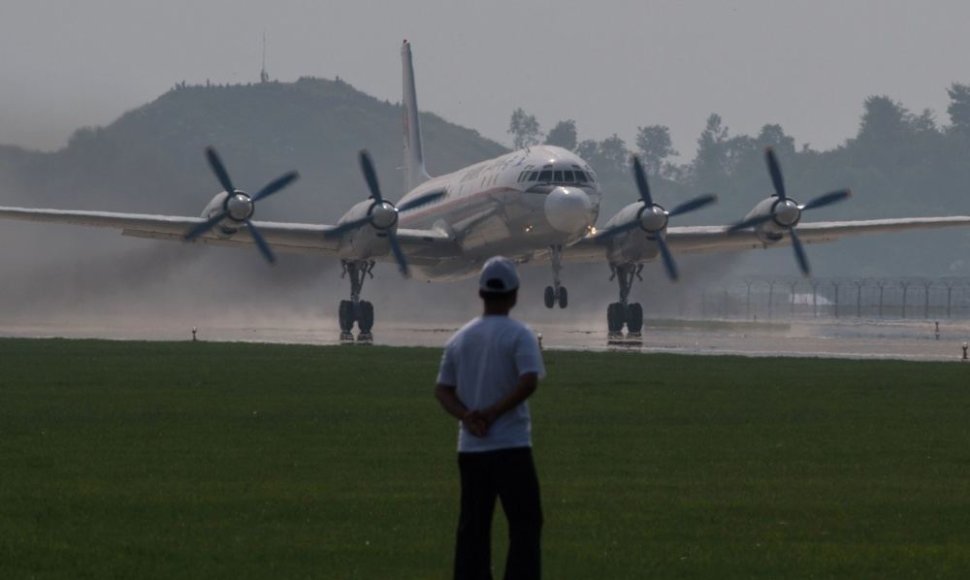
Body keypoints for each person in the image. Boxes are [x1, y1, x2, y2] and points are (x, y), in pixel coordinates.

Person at [435, 256, 546, 580]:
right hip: (512, 446)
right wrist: (495, 412)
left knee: (472, 528)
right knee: (525, 524)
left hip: (470, 449)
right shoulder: (521, 335)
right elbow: (529, 381)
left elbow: (442, 390)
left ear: (480, 293)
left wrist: (468, 416)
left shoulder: (460, 338)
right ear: (514, 295)